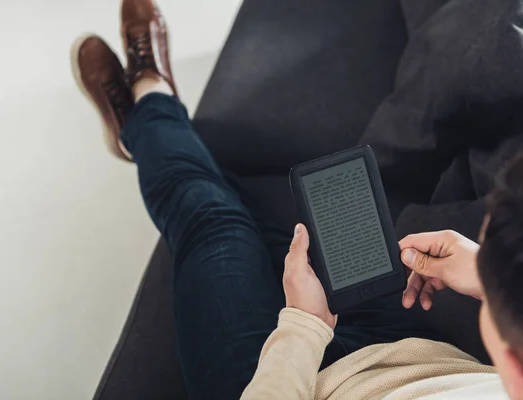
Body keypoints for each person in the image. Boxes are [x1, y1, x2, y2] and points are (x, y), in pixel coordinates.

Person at [71, 0, 521, 398]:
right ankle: (148, 127)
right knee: (283, 220)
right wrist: (488, 276)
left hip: (274, 380)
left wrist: (305, 326)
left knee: (213, 222)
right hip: (408, 345)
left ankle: (150, 99)